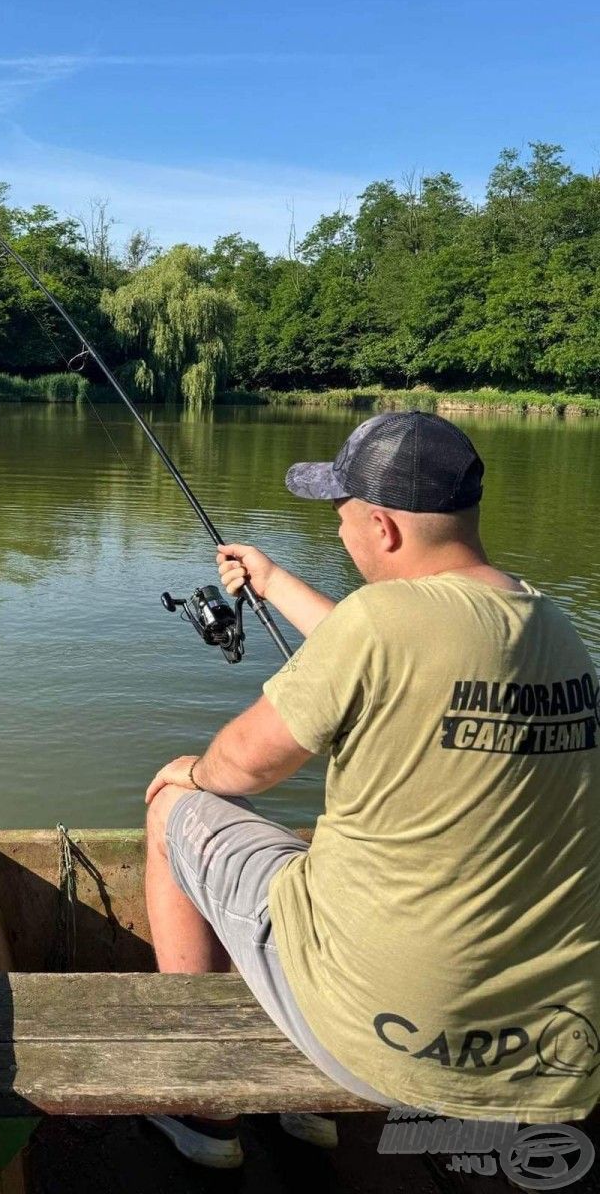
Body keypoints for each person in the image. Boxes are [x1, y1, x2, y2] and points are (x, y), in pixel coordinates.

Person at [143, 411, 600, 1170]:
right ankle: (302, 1113)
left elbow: (246, 765)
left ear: (383, 528)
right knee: (317, 851)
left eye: (341, 514)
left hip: (385, 1040)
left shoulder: (378, 622)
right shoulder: (552, 626)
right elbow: (396, 652)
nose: (341, 532)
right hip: (541, 1053)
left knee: (175, 809)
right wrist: (275, 580)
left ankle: (202, 1105)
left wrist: (189, 773)